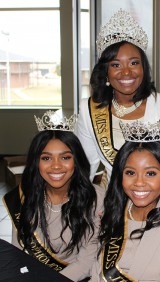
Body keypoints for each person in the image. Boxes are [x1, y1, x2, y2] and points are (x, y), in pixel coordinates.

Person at [89, 120, 160, 282]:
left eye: (150, 173)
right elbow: (96, 276)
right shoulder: (112, 215)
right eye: (130, 173)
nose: (139, 182)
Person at [3, 110, 104, 282]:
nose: (56, 166)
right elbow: (18, 253)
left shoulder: (96, 198)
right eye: (46, 158)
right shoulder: (23, 197)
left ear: (76, 161)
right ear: (37, 162)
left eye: (65, 157)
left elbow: (87, 262)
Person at [75, 9, 160, 185]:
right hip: (112, 204)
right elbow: (84, 168)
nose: (126, 72)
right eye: (116, 64)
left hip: (157, 203)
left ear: (143, 68)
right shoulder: (88, 109)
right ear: (106, 72)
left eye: (134, 63)